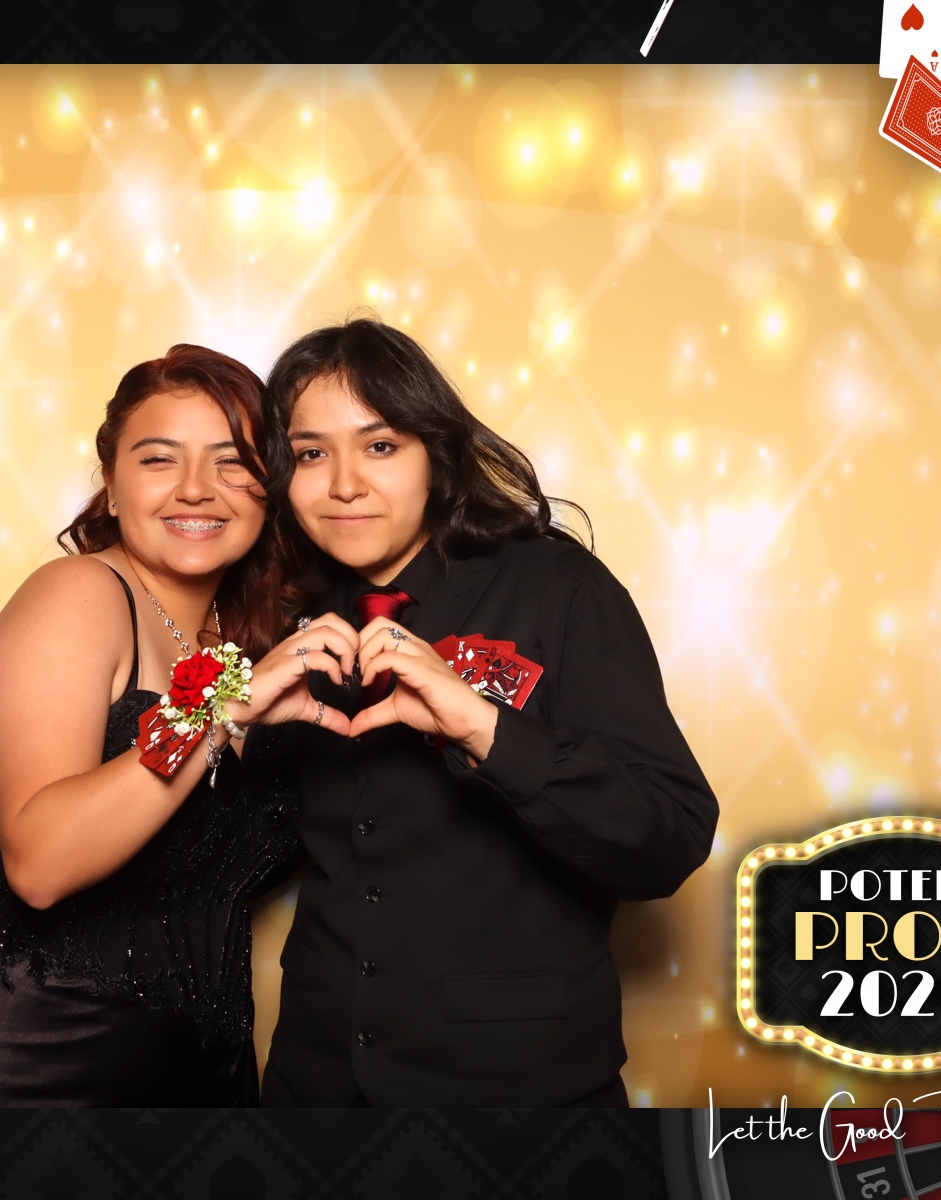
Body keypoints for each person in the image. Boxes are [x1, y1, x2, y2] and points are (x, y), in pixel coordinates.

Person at [256, 316, 719, 1107]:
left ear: (434, 455)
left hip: (519, 1097)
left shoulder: (558, 588)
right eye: (309, 453)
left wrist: (483, 727)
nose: (343, 484)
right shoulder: (287, 615)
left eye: (379, 445)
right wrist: (230, 714)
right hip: (318, 1085)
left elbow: (668, 838)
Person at [0, 344, 343, 1107]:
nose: (198, 490)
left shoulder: (244, 648)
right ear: (111, 482)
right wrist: (220, 717)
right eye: (159, 459)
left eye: (233, 462)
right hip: (32, 1054)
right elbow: (39, 862)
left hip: (207, 1069)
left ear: (269, 488)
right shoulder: (78, 596)